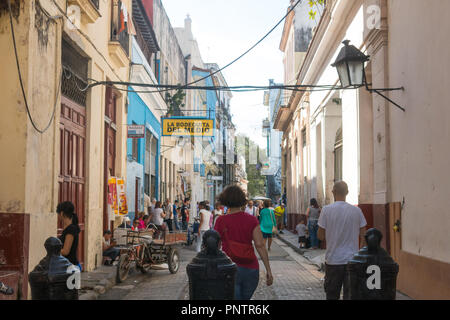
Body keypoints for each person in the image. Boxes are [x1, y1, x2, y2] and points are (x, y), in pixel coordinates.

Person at [214, 185, 273, 300]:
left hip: (228, 268)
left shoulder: (221, 221)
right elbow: (260, 245)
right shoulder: (252, 220)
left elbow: (216, 247)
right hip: (250, 268)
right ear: (242, 201)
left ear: (225, 200)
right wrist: (268, 270)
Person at [318, 181, 367, 300]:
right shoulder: (357, 211)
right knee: (350, 296)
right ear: (347, 193)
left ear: (333, 192)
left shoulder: (326, 210)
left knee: (332, 295)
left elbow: (320, 236)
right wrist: (358, 253)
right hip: (352, 261)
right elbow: (364, 236)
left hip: (333, 261)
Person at [57, 201, 81, 271]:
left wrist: (53, 250)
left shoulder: (71, 229)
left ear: (61, 213)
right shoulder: (69, 228)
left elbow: (65, 251)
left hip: (70, 267)